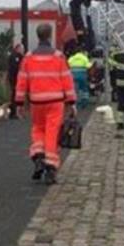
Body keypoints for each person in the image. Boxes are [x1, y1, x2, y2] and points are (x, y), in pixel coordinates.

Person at [14, 24, 76, 184]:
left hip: (36, 102)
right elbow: (66, 80)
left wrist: (19, 103)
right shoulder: (58, 56)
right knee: (52, 132)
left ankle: (38, 158)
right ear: (50, 36)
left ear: (38, 36)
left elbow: (21, 81)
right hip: (56, 102)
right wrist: (71, 102)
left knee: (38, 129)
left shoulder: (28, 57)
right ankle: (50, 167)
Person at [7, 42, 25, 119]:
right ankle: (13, 112)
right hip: (15, 79)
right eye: (22, 49)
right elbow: (15, 68)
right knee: (15, 95)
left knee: (16, 94)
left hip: (16, 78)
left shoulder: (19, 57)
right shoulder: (15, 57)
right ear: (18, 49)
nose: (23, 50)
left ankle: (15, 112)